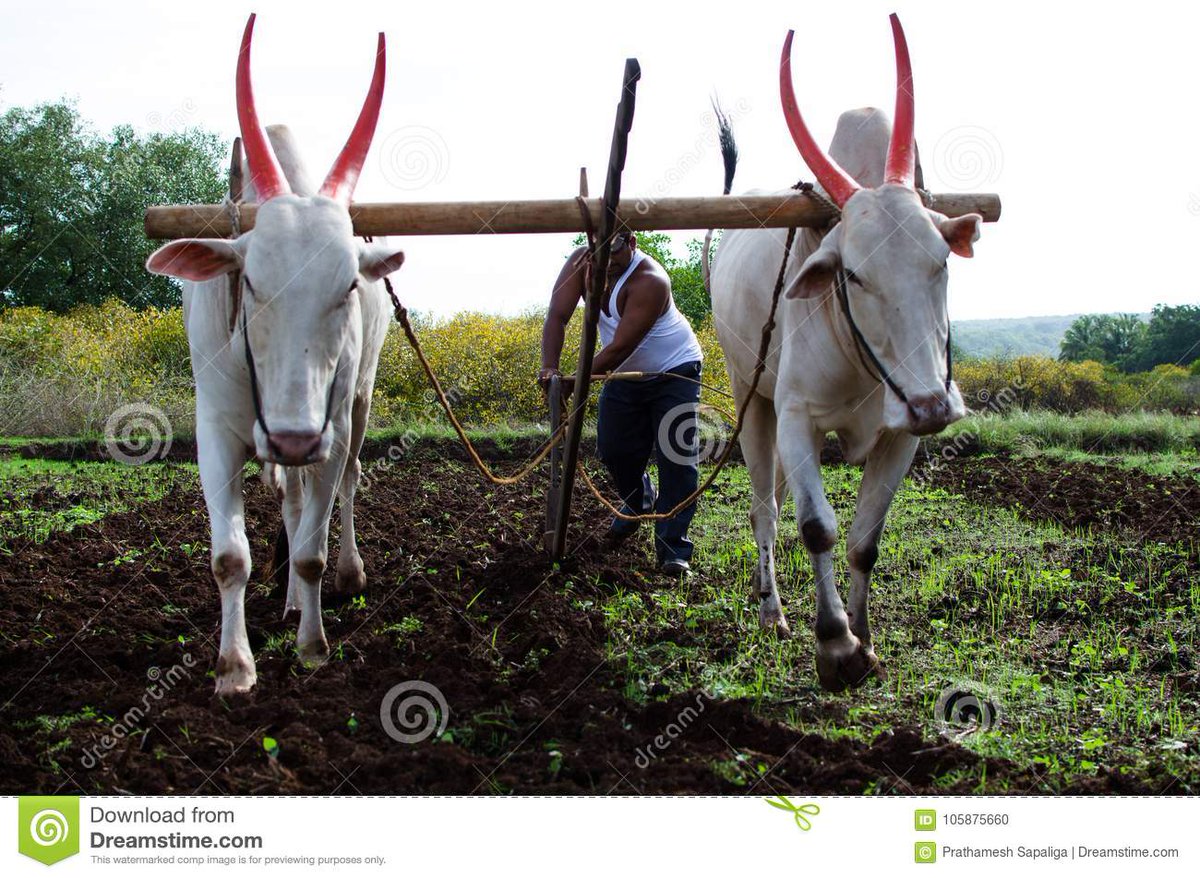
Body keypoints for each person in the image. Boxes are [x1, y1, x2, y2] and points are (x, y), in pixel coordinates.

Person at [539, 232, 703, 575]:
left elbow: (617, 350)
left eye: (614, 253)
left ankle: (673, 550)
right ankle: (638, 499)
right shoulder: (579, 263)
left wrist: (574, 381)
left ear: (631, 242)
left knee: (676, 456)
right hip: (626, 376)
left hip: (675, 370)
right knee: (614, 449)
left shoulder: (650, 281)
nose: (608, 263)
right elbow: (557, 316)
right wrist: (550, 369)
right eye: (600, 254)